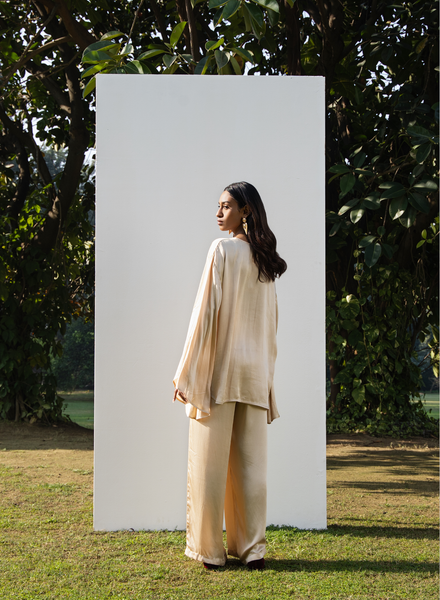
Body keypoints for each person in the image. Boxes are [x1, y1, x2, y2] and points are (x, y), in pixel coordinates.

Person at [173, 181, 287, 570]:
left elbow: (204, 315)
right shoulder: (265, 261)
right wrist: (268, 382)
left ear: (245, 211)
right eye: (218, 206)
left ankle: (210, 552)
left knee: (208, 467)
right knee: (251, 470)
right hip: (254, 375)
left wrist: (186, 373)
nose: (218, 213)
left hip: (220, 375)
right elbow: (271, 325)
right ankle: (253, 551)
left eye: (225, 206)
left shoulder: (221, 250)